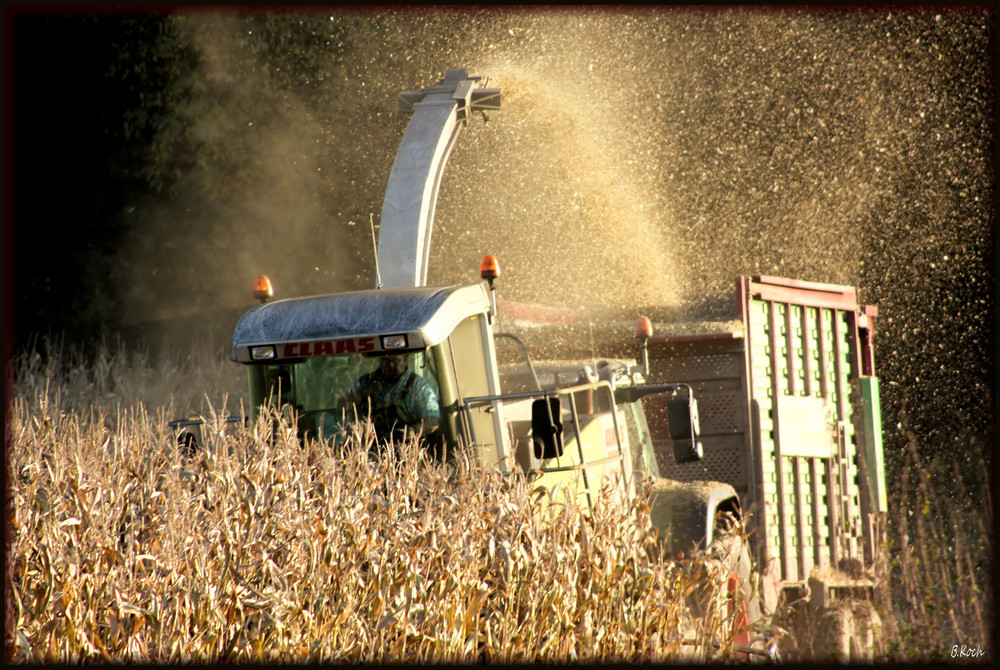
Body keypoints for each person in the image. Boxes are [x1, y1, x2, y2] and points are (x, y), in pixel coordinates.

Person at [344, 354, 441, 442]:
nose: (390, 365)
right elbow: (341, 408)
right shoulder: (365, 381)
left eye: (396, 360)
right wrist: (364, 392)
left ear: (406, 360)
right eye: (385, 360)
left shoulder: (419, 386)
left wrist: (414, 430)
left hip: (406, 451)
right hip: (369, 450)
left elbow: (433, 420)